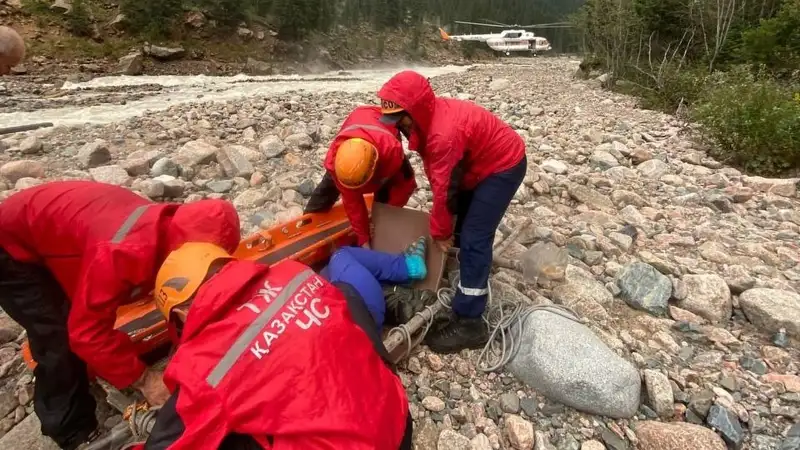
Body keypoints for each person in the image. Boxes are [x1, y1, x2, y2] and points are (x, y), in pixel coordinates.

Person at [0, 180, 241, 450]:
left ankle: (99, 367)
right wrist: (146, 380)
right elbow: (85, 332)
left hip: (60, 228)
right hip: (10, 246)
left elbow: (177, 298)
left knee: (85, 315)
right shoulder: (120, 255)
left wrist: (187, 350)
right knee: (58, 337)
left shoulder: (176, 224)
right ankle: (74, 433)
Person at [129, 237, 428, 449]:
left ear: (181, 313)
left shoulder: (204, 365)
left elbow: (168, 442)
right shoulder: (295, 274)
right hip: (398, 421)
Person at [377, 70, 528, 354]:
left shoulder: (442, 136)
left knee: (474, 237)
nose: (397, 127)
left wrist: (440, 232)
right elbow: (449, 189)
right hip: (476, 163)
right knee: (458, 222)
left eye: (400, 119)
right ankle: (462, 270)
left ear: (416, 111)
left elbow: (445, 191)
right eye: (392, 120)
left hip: (502, 166)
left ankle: (470, 321)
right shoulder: (426, 118)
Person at [304, 105, 417, 248]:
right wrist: (363, 238)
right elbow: (353, 202)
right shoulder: (335, 161)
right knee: (328, 188)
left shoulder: (391, 152)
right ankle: (308, 225)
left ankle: (379, 219)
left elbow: (405, 186)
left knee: (385, 197)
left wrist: (381, 216)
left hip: (380, 134)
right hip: (359, 124)